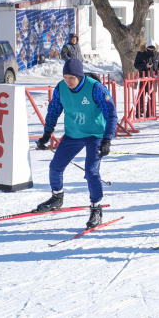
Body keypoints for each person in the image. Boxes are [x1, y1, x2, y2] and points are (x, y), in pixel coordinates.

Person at [35, 58, 118, 229]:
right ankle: (57, 197)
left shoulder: (95, 88)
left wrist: (107, 140)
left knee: (91, 171)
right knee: (55, 167)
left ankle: (96, 208)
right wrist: (46, 134)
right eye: (65, 77)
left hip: (95, 135)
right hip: (73, 134)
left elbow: (111, 114)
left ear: (80, 76)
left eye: (71, 78)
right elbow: (53, 111)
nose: (68, 81)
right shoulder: (61, 88)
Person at [133, 39, 159, 117]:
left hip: (153, 79)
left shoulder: (158, 54)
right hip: (143, 78)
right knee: (141, 95)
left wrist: (158, 71)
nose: (151, 49)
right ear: (146, 47)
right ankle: (140, 112)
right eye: (149, 48)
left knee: (152, 96)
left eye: (152, 48)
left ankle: (150, 112)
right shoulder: (140, 54)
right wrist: (145, 66)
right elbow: (136, 65)